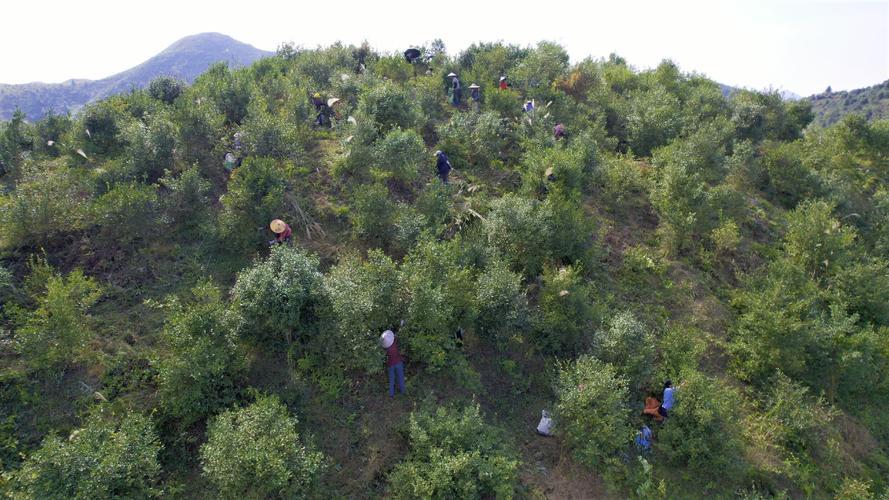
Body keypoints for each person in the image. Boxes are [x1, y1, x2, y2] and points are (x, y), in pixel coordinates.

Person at [380, 330, 406, 396]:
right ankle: (403, 392)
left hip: (390, 365)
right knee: (401, 378)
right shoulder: (394, 342)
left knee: (391, 380)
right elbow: (397, 335)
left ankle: (391, 394)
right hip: (398, 363)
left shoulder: (385, 348)